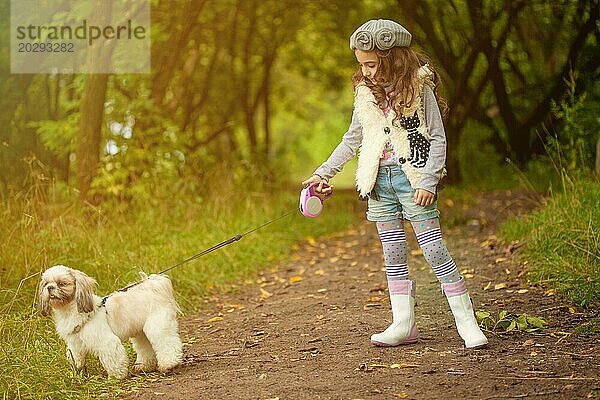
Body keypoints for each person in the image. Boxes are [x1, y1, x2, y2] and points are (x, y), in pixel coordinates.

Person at [302, 19, 488, 349]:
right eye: (362, 65)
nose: (367, 72)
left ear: (393, 58)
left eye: (372, 64)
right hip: (379, 186)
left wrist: (429, 180)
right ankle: (403, 324)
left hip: (414, 181)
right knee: (394, 255)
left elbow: (439, 138)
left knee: (434, 250)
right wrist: (323, 174)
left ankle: (466, 322)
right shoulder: (365, 95)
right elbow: (351, 140)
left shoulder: (419, 88)